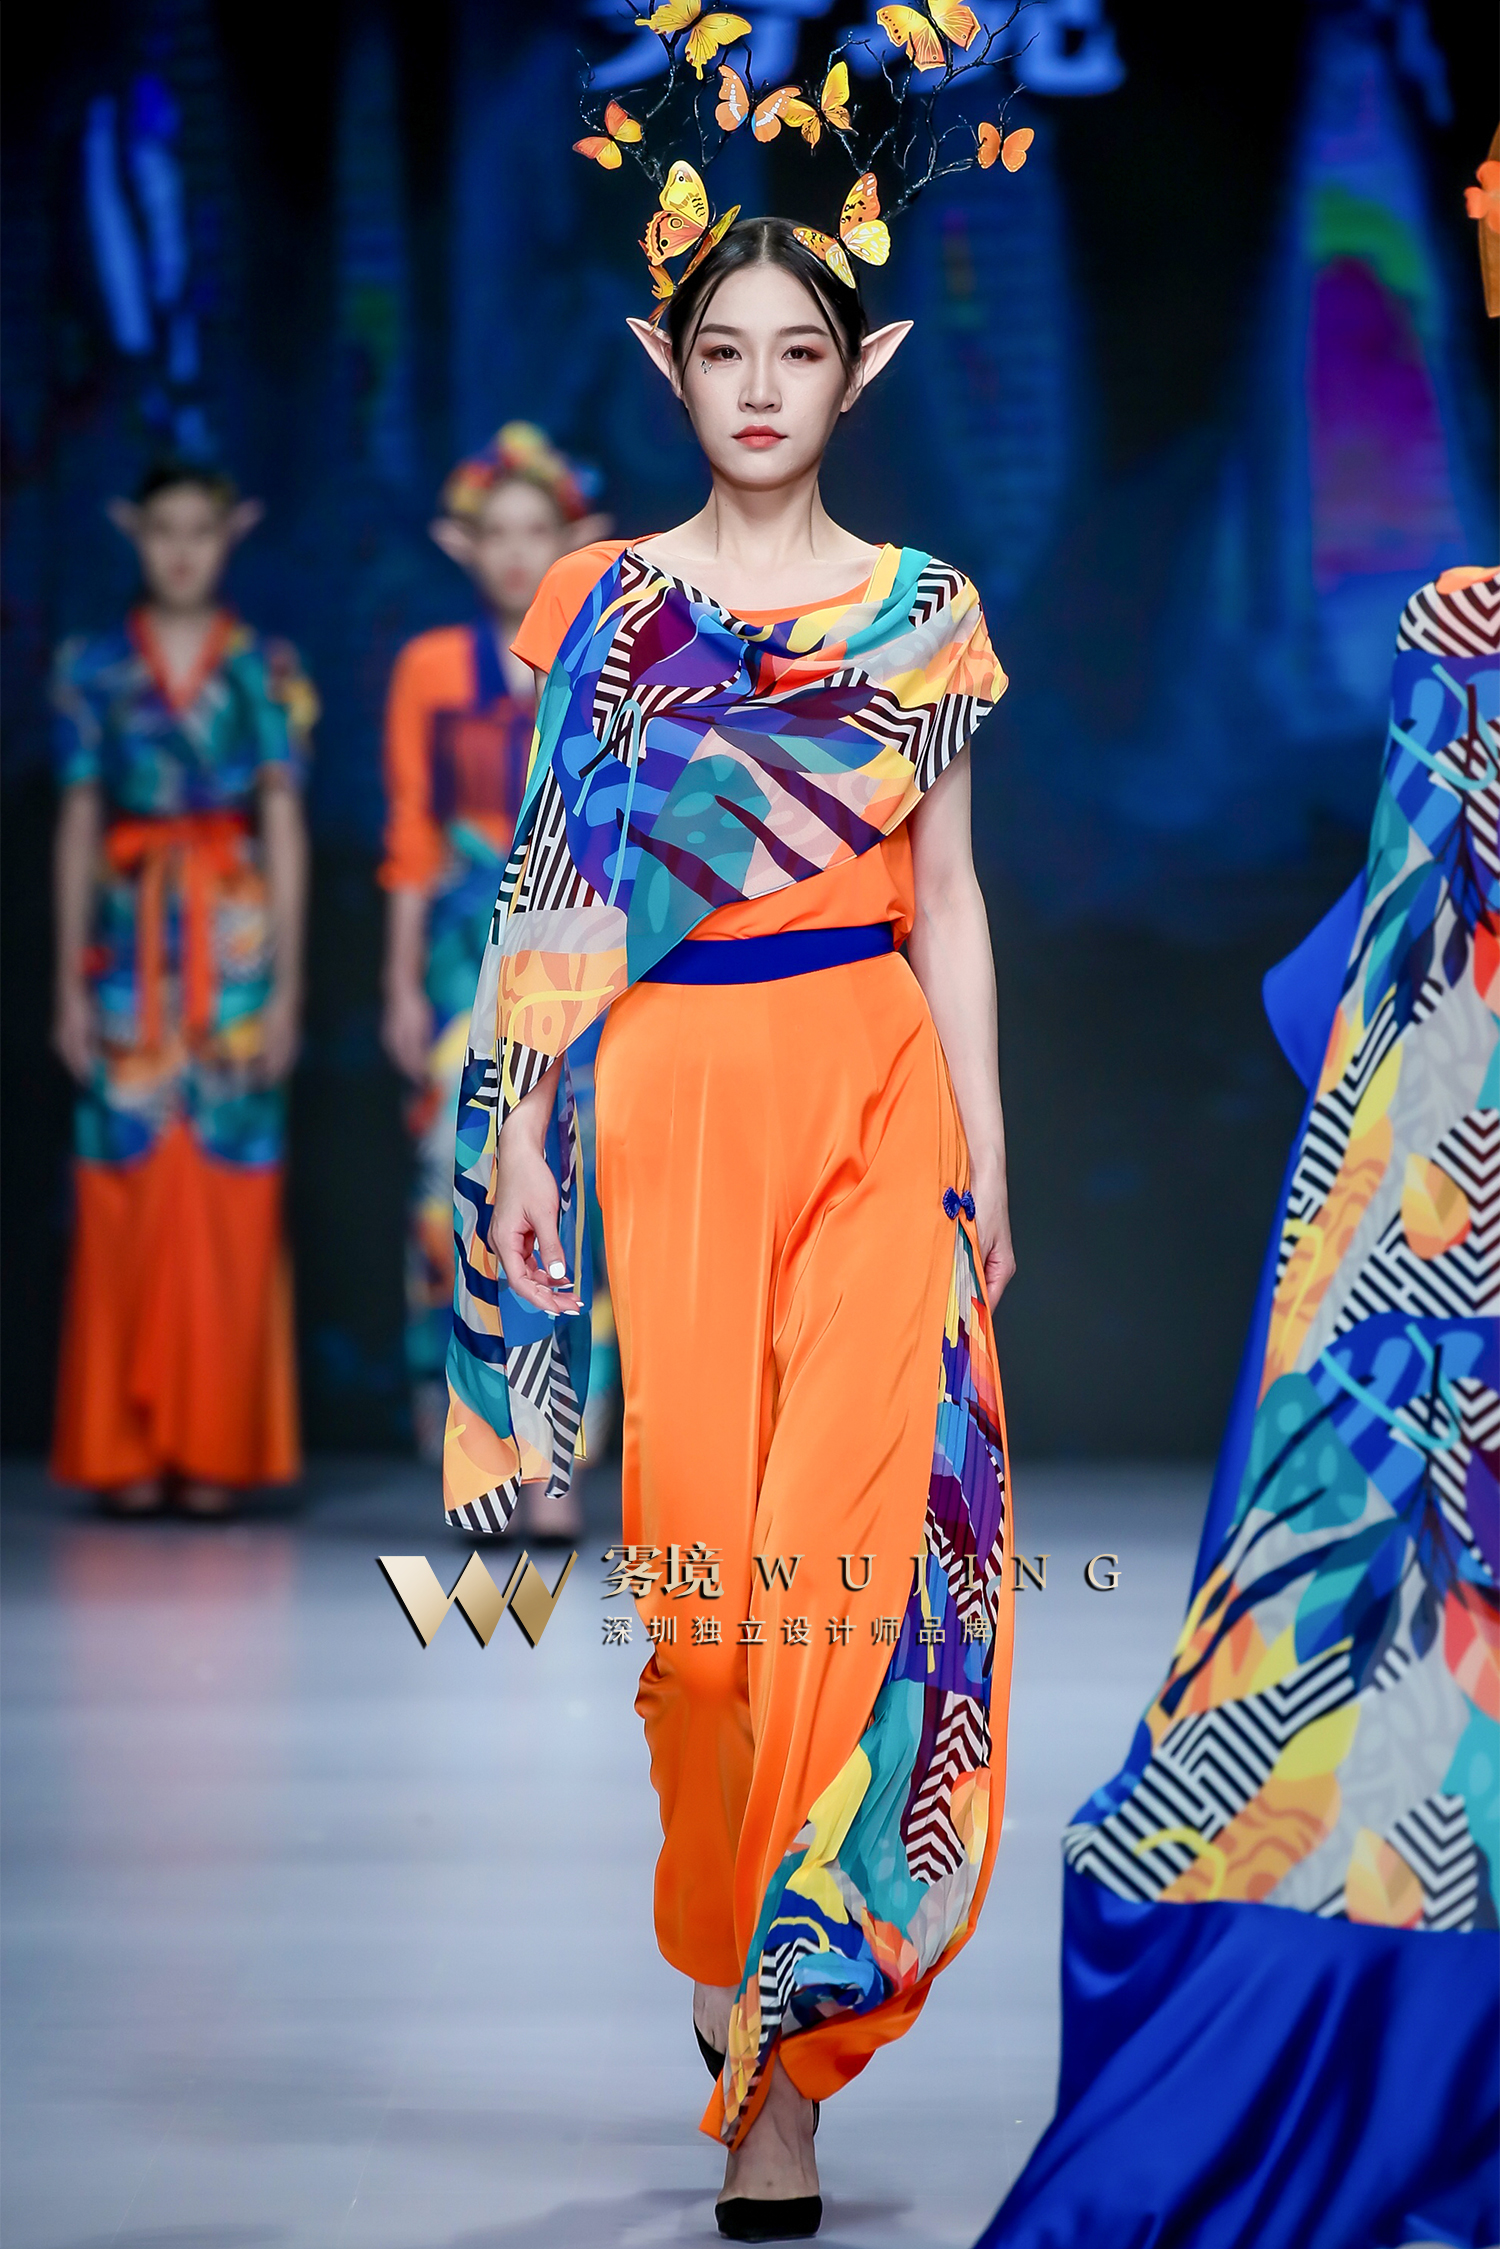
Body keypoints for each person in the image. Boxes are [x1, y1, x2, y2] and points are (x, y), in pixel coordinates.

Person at [442, 217, 1018, 2241]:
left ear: (863, 370)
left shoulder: (926, 609)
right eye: (724, 349)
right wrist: (523, 1124)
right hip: (671, 1095)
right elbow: (552, 878)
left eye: (800, 349)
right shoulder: (604, 605)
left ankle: (781, 2075)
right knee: (703, 1633)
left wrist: (991, 1153)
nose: (761, 385)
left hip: (875, 1087)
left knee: (843, 1599)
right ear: (665, 361)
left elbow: (950, 893)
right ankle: (723, 1917)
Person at [50, 460, 314, 1516]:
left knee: (230, 1187)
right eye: (164, 529)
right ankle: (124, 1449)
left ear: (230, 533)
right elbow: (78, 821)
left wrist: (288, 987)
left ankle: (216, 1451)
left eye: (201, 530)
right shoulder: (92, 667)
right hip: (127, 950)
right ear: (134, 532)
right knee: (124, 1180)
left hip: (235, 946)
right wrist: (67, 982)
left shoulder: (267, 667)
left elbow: (284, 824)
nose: (182, 550)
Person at [378, 425, 613, 1520]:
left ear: (578, 538)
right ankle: (474, 1443)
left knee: (577, 1193)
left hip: (585, 956)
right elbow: (412, 839)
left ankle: (556, 1461)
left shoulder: (607, 657)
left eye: (538, 531)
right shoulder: (431, 669)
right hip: (460, 962)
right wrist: (398, 984)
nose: (518, 553)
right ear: (462, 544)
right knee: (457, 1187)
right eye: (498, 533)